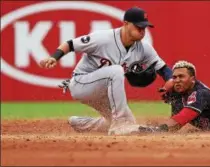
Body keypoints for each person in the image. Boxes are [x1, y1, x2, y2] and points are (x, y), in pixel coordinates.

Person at [38, 7, 174, 135]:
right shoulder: (103, 38)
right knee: (116, 71)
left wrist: (170, 80)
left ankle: (80, 123)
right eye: (138, 26)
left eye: (144, 27)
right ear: (126, 24)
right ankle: (119, 125)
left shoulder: (143, 48)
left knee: (129, 122)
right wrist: (54, 57)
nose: (142, 31)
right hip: (82, 84)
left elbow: (162, 68)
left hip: (105, 93)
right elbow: (71, 44)